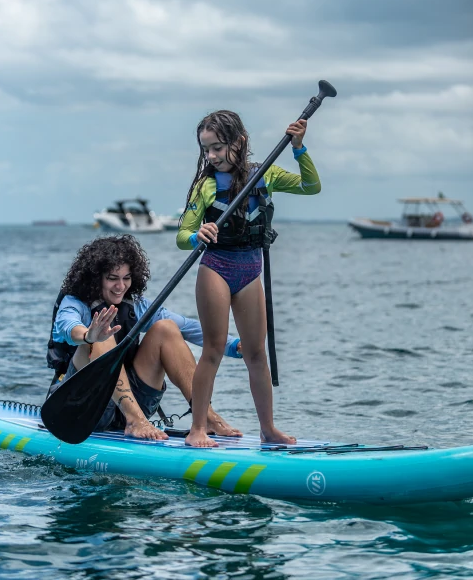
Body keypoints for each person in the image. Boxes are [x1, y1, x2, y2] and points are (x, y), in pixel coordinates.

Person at [177, 110, 321, 448]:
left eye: (217, 148)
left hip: (250, 271)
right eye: (206, 150)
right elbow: (182, 236)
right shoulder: (206, 185)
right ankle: (198, 428)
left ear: (239, 142)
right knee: (213, 349)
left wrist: (299, 149)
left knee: (257, 353)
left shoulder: (265, 174)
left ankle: (268, 429)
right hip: (216, 268)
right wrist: (197, 235)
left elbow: (311, 187)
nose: (211, 156)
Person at [47, 234, 243, 441]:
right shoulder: (74, 302)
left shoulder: (136, 305)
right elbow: (69, 327)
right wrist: (88, 335)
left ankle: (206, 417)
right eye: (112, 278)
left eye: (126, 278)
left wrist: (235, 345)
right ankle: (135, 421)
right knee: (102, 336)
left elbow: (188, 327)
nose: (121, 286)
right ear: (96, 278)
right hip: (81, 407)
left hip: (134, 404)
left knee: (166, 328)